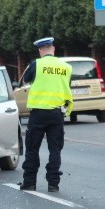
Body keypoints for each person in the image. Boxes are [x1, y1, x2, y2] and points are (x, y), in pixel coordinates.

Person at [19, 37, 73, 192]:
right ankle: (53, 184)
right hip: (57, 113)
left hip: (38, 113)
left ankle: (29, 183)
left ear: (40, 50)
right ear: (53, 49)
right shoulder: (66, 67)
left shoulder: (37, 64)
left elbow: (26, 80)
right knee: (55, 149)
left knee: (32, 149)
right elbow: (66, 86)